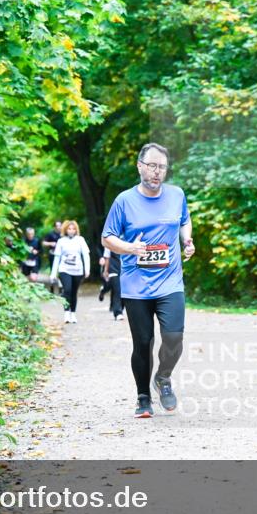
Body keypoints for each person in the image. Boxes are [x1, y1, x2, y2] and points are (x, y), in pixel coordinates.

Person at [101, 142, 195, 418]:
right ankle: (143, 397)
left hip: (170, 282)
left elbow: (184, 221)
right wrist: (130, 248)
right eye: (152, 165)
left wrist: (187, 240)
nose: (157, 172)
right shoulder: (124, 201)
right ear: (140, 166)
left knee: (174, 338)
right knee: (143, 343)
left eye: (162, 167)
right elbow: (107, 237)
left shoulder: (176, 195)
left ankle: (163, 377)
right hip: (136, 286)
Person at [51, 220, 90, 324]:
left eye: (73, 229)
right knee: (67, 290)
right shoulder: (61, 241)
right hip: (64, 270)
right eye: (69, 228)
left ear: (76, 230)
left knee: (74, 292)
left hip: (77, 270)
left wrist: (87, 269)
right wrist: (53, 273)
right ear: (65, 230)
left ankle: (73, 313)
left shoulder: (80, 240)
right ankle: (66, 313)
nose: (71, 230)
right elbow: (57, 257)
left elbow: (86, 255)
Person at [99, 248, 124, 321]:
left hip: (124, 269)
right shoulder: (110, 239)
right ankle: (118, 313)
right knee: (117, 290)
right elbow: (107, 257)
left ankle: (103, 290)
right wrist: (106, 270)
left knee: (121, 289)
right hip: (113, 268)